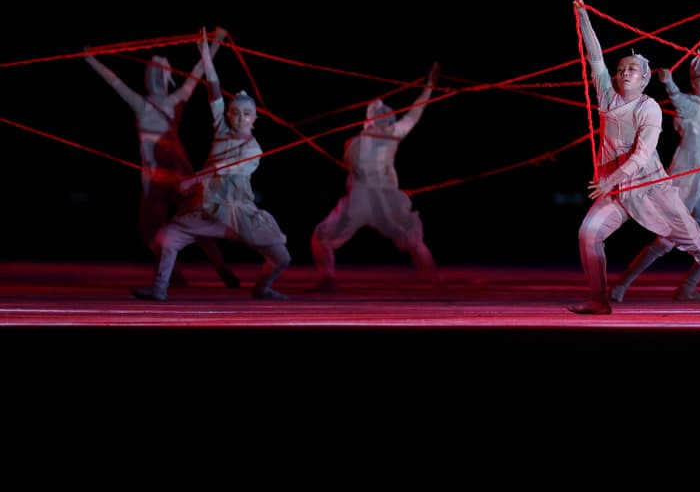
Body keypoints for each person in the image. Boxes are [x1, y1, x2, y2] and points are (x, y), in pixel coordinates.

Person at [569, 0, 700, 315]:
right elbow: (594, 55)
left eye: (633, 70)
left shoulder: (649, 108)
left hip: (651, 188)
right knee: (589, 233)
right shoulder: (606, 96)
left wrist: (610, 181)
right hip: (618, 190)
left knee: (694, 242)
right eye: (622, 68)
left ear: (644, 80)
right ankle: (599, 300)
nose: (625, 72)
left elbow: (641, 155)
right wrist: (582, 13)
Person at [131, 30, 290, 301]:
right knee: (165, 239)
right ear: (228, 115)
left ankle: (262, 288)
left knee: (282, 257)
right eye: (235, 113)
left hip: (240, 216)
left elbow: (223, 168)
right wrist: (206, 54)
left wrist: (192, 180)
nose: (240, 118)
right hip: (208, 210)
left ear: (255, 118)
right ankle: (159, 288)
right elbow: (213, 92)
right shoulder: (221, 130)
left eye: (246, 114)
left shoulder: (253, 149)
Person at [85, 29, 240, 289]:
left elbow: (114, 81)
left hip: (157, 174)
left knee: (151, 226)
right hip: (179, 172)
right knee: (191, 220)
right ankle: (213, 265)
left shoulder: (144, 104)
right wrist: (216, 43)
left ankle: (184, 269)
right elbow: (198, 70)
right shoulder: (174, 100)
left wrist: (90, 59)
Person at [609, 4, 700, 303]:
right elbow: (676, 98)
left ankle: (688, 287)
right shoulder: (690, 104)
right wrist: (668, 82)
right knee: (666, 241)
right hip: (685, 179)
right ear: (694, 81)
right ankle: (621, 285)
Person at [309, 63, 443, 293]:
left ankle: (327, 278)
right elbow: (414, 115)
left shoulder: (354, 141)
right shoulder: (390, 135)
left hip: (361, 199)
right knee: (413, 241)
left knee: (320, 237)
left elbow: (352, 163)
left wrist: (429, 86)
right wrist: (429, 86)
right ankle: (436, 283)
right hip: (386, 199)